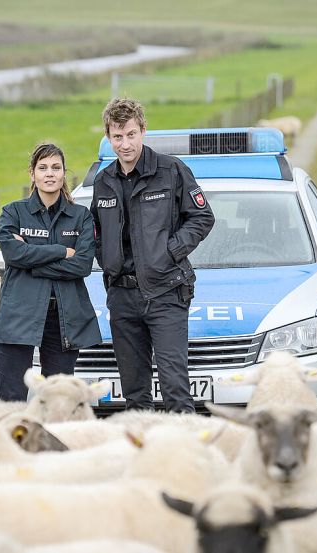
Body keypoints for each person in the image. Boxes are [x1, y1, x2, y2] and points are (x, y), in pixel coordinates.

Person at [90, 98, 215, 413]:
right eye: (118, 137)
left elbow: (202, 217)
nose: (125, 144)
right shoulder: (104, 182)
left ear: (143, 131)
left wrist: (169, 251)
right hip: (121, 296)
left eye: (131, 134)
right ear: (108, 137)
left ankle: (184, 455)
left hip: (166, 292)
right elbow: (93, 232)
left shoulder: (171, 170)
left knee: (175, 389)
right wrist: (106, 259)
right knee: (135, 395)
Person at [0, 143, 101, 401]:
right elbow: (13, 255)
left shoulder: (81, 216)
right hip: (18, 314)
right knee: (12, 398)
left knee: (59, 400)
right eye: (42, 168)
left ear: (64, 173)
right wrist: (61, 251)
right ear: (32, 174)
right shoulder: (13, 212)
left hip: (62, 318)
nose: (49, 173)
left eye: (56, 167)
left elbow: (82, 265)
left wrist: (30, 259)